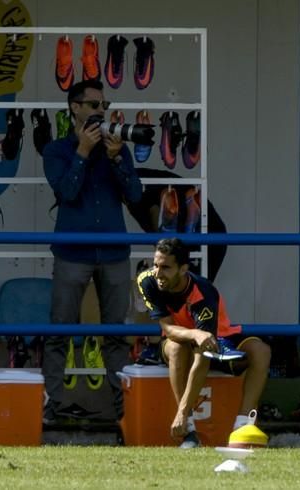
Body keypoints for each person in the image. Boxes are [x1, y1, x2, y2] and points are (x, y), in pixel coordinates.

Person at [42, 79, 142, 424]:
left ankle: (125, 411)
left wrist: (116, 159)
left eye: (105, 105)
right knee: (59, 332)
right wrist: (83, 152)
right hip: (72, 251)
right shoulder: (57, 150)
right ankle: (52, 408)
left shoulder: (117, 147)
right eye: (94, 105)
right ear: (75, 108)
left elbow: (136, 195)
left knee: (116, 335)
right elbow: (67, 193)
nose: (102, 112)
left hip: (114, 252)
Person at [137, 237, 271, 448]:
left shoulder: (204, 293)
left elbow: (203, 356)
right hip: (179, 340)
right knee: (176, 347)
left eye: (165, 267)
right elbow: (168, 328)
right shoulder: (147, 280)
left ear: (183, 269)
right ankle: (189, 430)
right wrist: (194, 334)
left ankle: (242, 428)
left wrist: (200, 337)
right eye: (155, 265)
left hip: (220, 338)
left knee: (261, 351)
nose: (158, 272)